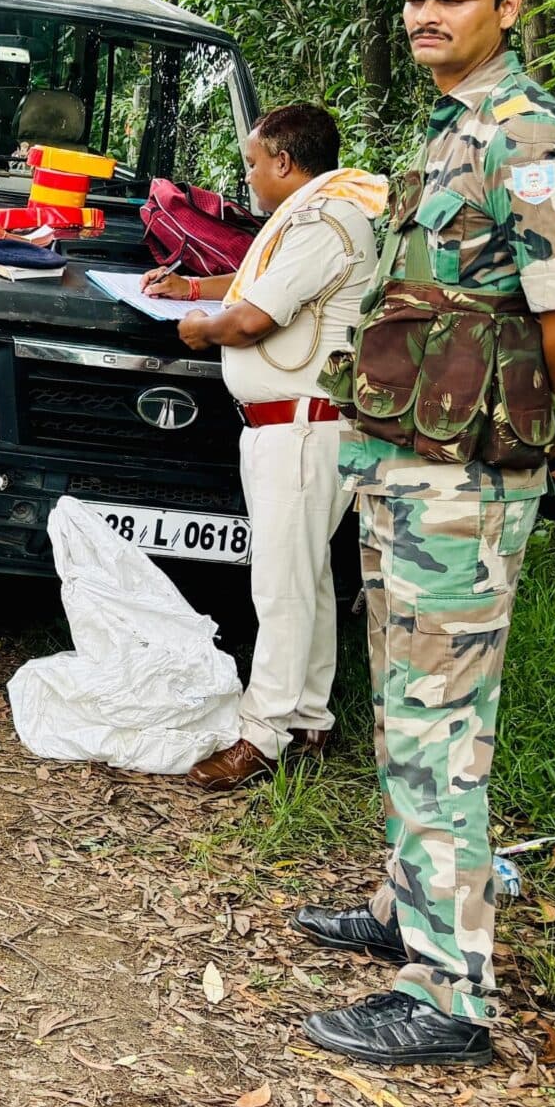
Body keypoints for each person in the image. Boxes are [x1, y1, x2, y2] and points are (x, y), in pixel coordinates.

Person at [291, 0, 555, 1068]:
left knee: (441, 727)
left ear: (509, 7)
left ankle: (449, 993)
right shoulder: (447, 133)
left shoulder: (526, 141)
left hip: (463, 487)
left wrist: (543, 437)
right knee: (406, 706)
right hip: (409, 471)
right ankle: (405, 910)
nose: (428, 16)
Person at [144, 104, 384, 789]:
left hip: (304, 426)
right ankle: (308, 718)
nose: (247, 177)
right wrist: (192, 286)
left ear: (283, 160)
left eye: (252, 162)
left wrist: (198, 325)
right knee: (304, 577)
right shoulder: (312, 215)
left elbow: (249, 319)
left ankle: (263, 734)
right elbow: (258, 287)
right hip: (289, 424)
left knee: (279, 585)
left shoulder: (323, 221)